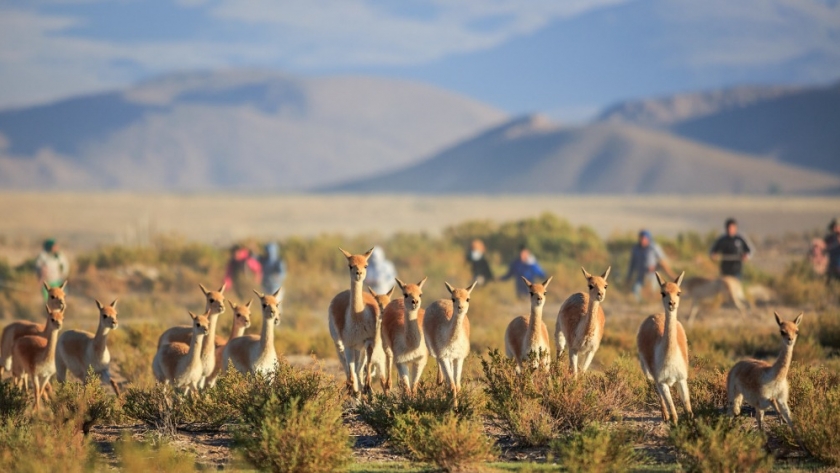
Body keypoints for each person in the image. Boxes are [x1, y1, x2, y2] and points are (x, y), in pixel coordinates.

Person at [625, 230, 673, 302]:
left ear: (648, 239)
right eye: (641, 238)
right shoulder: (636, 249)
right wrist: (629, 276)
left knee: (652, 292)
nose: (642, 240)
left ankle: (652, 304)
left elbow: (663, 260)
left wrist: (655, 266)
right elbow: (632, 264)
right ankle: (640, 304)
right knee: (635, 290)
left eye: (644, 238)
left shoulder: (654, 247)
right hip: (640, 276)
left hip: (652, 276)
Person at [824, 217, 840, 285]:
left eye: (837, 226)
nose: (835, 228)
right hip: (832, 265)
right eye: (834, 226)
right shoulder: (830, 238)